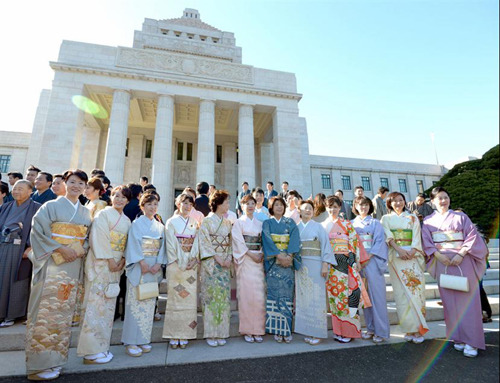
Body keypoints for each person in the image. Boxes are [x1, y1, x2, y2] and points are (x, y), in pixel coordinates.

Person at [25, 169, 92, 381]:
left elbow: (87, 238)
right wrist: (60, 249)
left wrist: (79, 249)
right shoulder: (50, 206)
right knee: (45, 312)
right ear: (65, 183)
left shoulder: (84, 212)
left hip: (73, 264)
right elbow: (38, 232)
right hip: (52, 262)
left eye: (81, 184)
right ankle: (38, 365)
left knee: (63, 314)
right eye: (72, 182)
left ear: (85, 187)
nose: (76, 187)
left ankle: (56, 360)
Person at [422, 187, 488, 358]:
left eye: (446, 197)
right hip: (443, 262)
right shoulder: (428, 221)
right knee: (449, 302)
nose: (443, 201)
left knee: (469, 302)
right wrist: (437, 255)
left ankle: (472, 341)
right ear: (432, 202)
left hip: (462, 261)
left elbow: (472, 237)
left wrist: (462, 253)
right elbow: (427, 242)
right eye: (439, 198)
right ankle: (457, 337)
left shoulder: (461, 217)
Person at [76, 186, 132, 364]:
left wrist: (122, 259)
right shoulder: (103, 214)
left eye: (123, 197)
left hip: (115, 266)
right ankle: (90, 351)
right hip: (101, 264)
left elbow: (127, 244)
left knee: (107, 308)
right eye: (116, 195)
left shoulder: (127, 220)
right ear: (111, 197)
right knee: (95, 306)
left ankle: (101, 347)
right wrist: (110, 260)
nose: (119, 199)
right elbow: (98, 238)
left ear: (128, 201)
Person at [121, 192, 166, 357]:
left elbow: (163, 247)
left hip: (153, 268)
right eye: (149, 204)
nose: (152, 207)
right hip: (140, 268)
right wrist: (141, 262)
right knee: (135, 304)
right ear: (142, 206)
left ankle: (143, 339)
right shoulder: (136, 224)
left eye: (155, 204)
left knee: (148, 305)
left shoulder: (160, 226)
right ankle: (131, 341)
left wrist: (158, 263)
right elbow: (133, 244)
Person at [380, 192, 428, 344]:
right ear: (389, 203)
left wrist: (413, 251)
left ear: (405, 201)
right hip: (397, 256)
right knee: (401, 295)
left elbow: (416, 236)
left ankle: (419, 328)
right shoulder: (385, 218)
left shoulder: (412, 217)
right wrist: (399, 250)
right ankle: (408, 328)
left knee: (416, 291)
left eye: (400, 200)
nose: (398, 203)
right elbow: (387, 236)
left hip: (412, 256)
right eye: (394, 201)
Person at [322, 195, 368, 343]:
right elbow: (322, 247)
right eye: (330, 207)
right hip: (332, 265)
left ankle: (350, 331)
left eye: (335, 206)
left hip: (347, 264)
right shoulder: (323, 225)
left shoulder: (347, 224)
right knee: (335, 298)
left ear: (340, 207)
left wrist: (354, 263)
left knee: (349, 297)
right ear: (326, 208)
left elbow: (354, 243)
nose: (332, 209)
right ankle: (338, 331)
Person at [0, 180, 40, 327]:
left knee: (17, 281)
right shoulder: (6, 207)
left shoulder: (36, 208)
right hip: (3, 247)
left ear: (31, 191)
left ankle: (12, 315)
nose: (16, 191)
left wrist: (31, 247)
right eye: (15, 189)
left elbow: (39, 231)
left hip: (22, 250)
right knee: (2, 280)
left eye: (21, 189)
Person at [162, 193, 200, 350]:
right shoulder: (171, 222)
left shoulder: (194, 223)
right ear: (178, 204)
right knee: (175, 299)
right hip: (176, 265)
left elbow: (196, 242)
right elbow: (171, 244)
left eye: (190, 204)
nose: (187, 206)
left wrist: (193, 258)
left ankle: (186, 333)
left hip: (191, 266)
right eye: (184, 203)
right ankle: (173, 333)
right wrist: (181, 260)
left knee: (189, 300)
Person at [294, 200, 334, 345]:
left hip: (316, 264)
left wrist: (325, 264)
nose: (308, 211)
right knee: (304, 299)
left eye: (310, 208)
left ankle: (317, 332)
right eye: (305, 208)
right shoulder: (296, 228)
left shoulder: (318, 227)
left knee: (317, 297)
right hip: (301, 266)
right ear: (300, 211)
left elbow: (326, 246)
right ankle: (307, 330)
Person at [262, 196, 301, 343]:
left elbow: (295, 238)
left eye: (281, 205)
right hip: (274, 263)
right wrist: (278, 256)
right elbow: (266, 239)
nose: (279, 207)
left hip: (287, 262)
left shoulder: (290, 222)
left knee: (287, 296)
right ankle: (277, 330)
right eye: (276, 205)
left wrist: (289, 256)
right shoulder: (267, 223)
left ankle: (287, 330)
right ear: (271, 207)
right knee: (274, 295)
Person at [352, 196, 390, 343]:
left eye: (366, 205)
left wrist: (368, 256)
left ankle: (381, 331)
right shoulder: (351, 224)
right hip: (357, 262)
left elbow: (380, 241)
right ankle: (370, 328)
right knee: (364, 297)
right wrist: (357, 258)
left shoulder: (375, 223)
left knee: (377, 297)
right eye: (360, 205)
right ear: (355, 206)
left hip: (372, 260)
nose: (363, 207)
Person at [199, 190, 233, 347]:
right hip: (212, 264)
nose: (228, 205)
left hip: (224, 263)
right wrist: (218, 258)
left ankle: (222, 332)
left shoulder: (227, 223)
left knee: (223, 298)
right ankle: (211, 333)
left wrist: (228, 258)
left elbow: (231, 243)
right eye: (226, 202)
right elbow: (204, 243)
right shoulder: (206, 222)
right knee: (211, 297)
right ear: (218, 203)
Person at [231, 195, 266, 343]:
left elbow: (264, 240)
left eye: (253, 203)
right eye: (247, 203)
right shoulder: (238, 223)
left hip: (258, 260)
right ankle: (247, 329)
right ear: (242, 205)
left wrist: (262, 253)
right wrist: (251, 254)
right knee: (246, 295)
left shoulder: (260, 223)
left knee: (258, 296)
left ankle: (258, 329)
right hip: (246, 260)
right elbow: (238, 241)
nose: (250, 206)